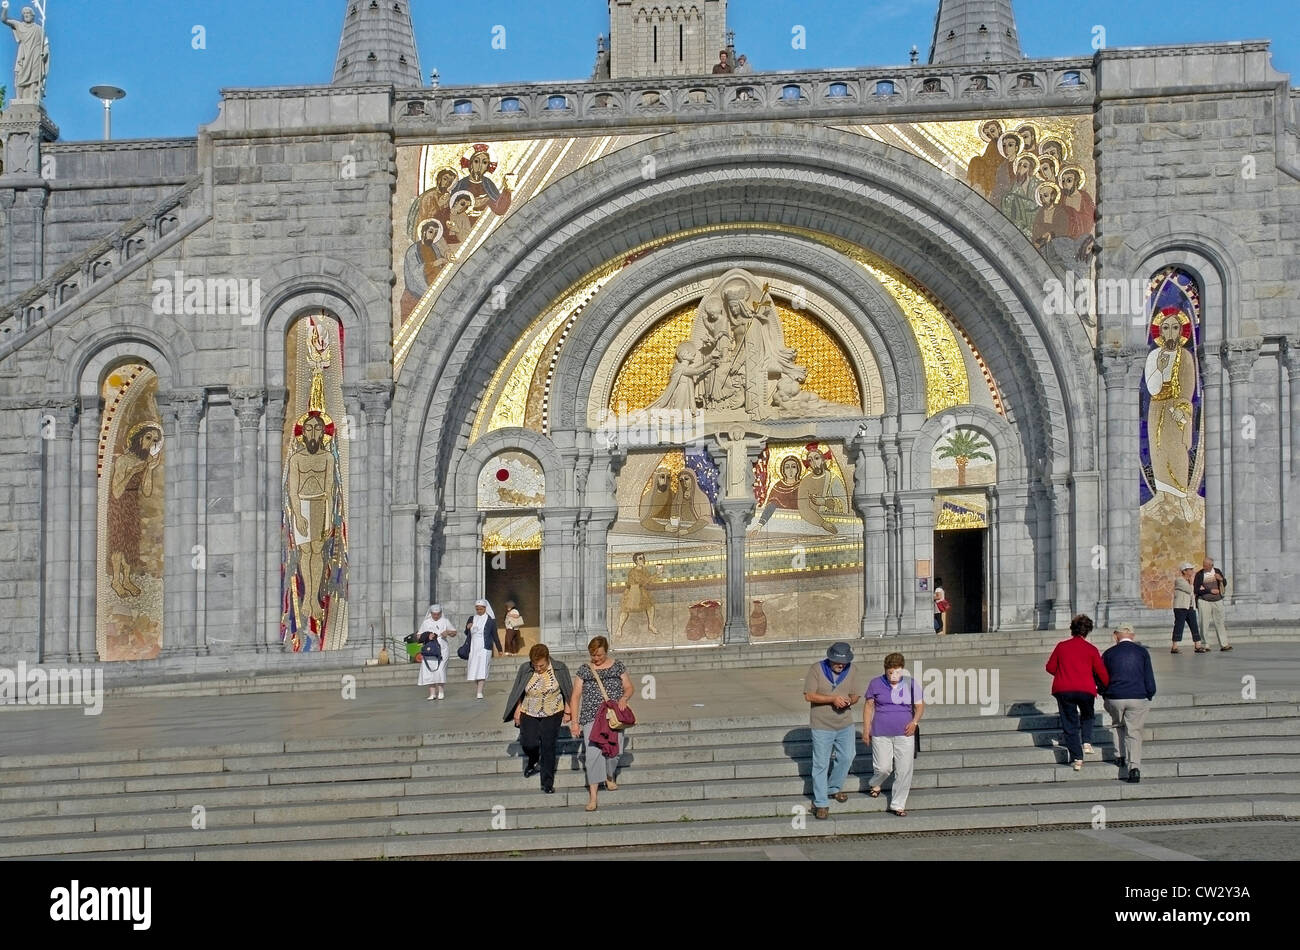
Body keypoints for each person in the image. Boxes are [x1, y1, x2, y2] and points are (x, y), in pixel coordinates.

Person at [802, 642, 868, 820]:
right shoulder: (816, 669)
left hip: (845, 723)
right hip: (821, 724)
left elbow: (856, 695)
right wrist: (832, 699)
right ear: (830, 659)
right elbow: (809, 695)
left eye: (844, 662)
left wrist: (848, 701)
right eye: (838, 662)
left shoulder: (852, 670)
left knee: (847, 756)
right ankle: (821, 803)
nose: (841, 665)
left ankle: (833, 788)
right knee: (821, 764)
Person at [569, 637, 633, 812]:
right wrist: (575, 722)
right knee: (592, 755)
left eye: (599, 655)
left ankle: (609, 775)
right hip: (591, 717)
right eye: (593, 655)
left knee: (615, 752)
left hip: (613, 717)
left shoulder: (617, 666)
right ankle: (593, 796)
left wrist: (624, 698)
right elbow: (575, 696)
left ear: (606, 651)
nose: (595, 658)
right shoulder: (584, 670)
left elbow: (628, 687)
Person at [504, 644, 573, 794]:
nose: (538, 668)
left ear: (547, 659)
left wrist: (568, 709)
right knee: (529, 743)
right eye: (535, 665)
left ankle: (547, 783)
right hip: (529, 710)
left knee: (548, 745)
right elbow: (518, 690)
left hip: (553, 710)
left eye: (541, 665)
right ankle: (533, 760)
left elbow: (568, 689)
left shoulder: (560, 668)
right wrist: (517, 710)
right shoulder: (525, 668)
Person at [1045, 614, 1109, 771]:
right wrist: (1106, 685)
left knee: (1069, 723)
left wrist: (1063, 674)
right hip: (1086, 689)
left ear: (1072, 629)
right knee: (1088, 715)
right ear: (1087, 631)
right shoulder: (1091, 649)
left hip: (1064, 688)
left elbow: (1050, 667)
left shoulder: (1061, 646)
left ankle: (1077, 758)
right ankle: (1086, 741)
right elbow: (1102, 673)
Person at [864, 652, 924, 817]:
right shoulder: (875, 683)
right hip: (880, 732)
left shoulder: (911, 684)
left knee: (904, 770)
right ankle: (875, 783)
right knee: (883, 768)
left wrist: (915, 722)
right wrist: (866, 729)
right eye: (890, 672)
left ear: (902, 669)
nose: (893, 675)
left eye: (897, 671)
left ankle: (897, 804)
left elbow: (919, 706)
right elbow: (869, 707)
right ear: (885, 670)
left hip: (905, 733)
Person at [1101, 624, 1157, 784]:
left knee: (1117, 725)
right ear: (1132, 636)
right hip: (1137, 696)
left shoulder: (1109, 653)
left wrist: (1104, 693)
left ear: (1115, 636)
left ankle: (1119, 756)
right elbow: (1149, 677)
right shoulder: (1142, 652)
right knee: (1134, 732)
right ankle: (1134, 768)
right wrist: (1150, 693)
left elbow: (1102, 676)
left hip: (1115, 696)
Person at [464, 599, 503, 699]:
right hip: (473, 647)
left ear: (485, 608)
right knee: (474, 670)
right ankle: (479, 688)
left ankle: (479, 691)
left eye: (481, 609)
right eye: (477, 609)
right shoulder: (471, 618)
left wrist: (499, 649)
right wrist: (468, 627)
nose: (479, 611)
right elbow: (466, 633)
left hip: (485, 648)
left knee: (482, 669)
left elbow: (495, 635)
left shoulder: (490, 621)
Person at [416, 604, 456, 700]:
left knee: (440, 669)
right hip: (430, 649)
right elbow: (418, 636)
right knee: (429, 670)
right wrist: (427, 635)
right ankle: (432, 693)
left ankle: (441, 691)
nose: (436, 616)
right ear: (431, 613)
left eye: (438, 614)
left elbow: (454, 632)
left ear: (441, 613)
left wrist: (448, 632)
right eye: (434, 614)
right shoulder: (426, 622)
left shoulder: (445, 621)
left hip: (442, 649)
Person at [1194, 557, 1233, 651]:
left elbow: (1224, 583)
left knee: (1220, 622)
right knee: (1204, 623)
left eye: (1206, 565)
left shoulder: (1217, 571)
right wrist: (1209, 590)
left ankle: (1224, 644)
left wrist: (1221, 579)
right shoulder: (1200, 574)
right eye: (1203, 565)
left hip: (1217, 600)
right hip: (1204, 601)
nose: (1204, 567)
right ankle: (1205, 645)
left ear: (1212, 565)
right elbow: (1196, 590)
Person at [1171, 562, 1207, 653]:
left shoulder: (1189, 581)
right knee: (1179, 625)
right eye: (1190, 569)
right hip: (1181, 607)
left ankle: (1197, 645)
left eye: (1192, 569)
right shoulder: (1179, 580)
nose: (1192, 571)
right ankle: (1174, 647)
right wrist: (1192, 584)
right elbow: (1190, 590)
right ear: (1184, 571)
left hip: (1190, 607)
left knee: (1194, 625)